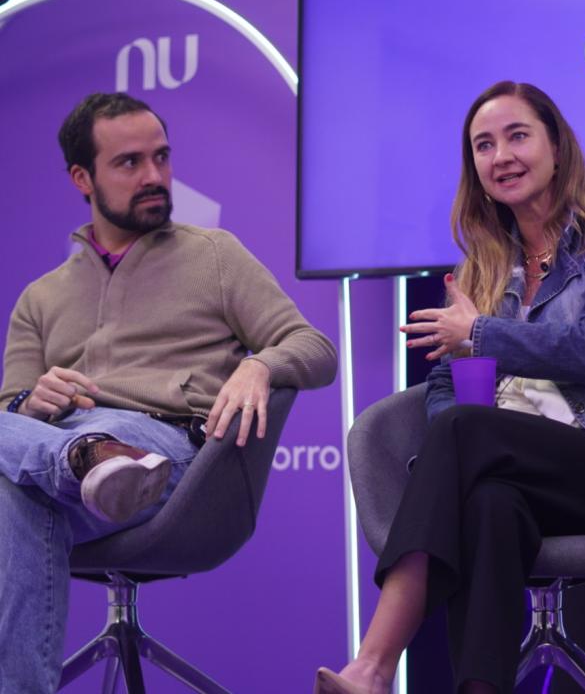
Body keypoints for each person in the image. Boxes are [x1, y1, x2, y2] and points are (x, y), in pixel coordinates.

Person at [316, 81, 585, 694]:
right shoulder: (482, 265)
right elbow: (441, 383)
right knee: (486, 503)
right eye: (483, 146)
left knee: (464, 432)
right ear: (476, 171)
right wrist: (464, 448)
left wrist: (480, 336)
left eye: (517, 136)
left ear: (556, 147)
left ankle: (374, 665)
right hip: (516, 473)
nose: (500, 155)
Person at [0, 92, 338, 693]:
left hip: (169, 455)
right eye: (129, 163)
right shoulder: (40, 297)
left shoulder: (214, 254)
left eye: (161, 157)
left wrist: (262, 365)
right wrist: (30, 402)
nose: (155, 176)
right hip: (68, 453)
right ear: (83, 178)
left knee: (13, 494)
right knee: (15, 496)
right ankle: (83, 458)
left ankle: (93, 457)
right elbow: (8, 416)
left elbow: (315, 350)